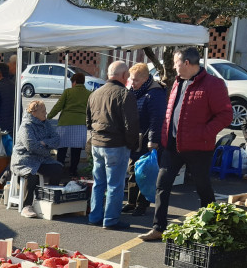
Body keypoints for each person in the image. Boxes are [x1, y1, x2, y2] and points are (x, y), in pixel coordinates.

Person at [139, 47, 232, 242]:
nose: (174, 66)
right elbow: (170, 112)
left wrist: (203, 133)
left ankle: (210, 228)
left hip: (199, 148)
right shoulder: (177, 82)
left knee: (203, 188)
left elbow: (225, 115)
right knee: (161, 185)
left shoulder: (213, 84)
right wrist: (163, 137)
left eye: (176, 62)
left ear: (187, 63)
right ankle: (158, 227)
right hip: (172, 146)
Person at [85, 61, 139, 230]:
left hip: (97, 143)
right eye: (128, 76)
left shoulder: (95, 93)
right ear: (123, 76)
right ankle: (110, 220)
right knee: (115, 185)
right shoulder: (125, 94)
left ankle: (95, 216)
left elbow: (88, 121)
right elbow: (131, 125)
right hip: (116, 145)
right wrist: (132, 145)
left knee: (99, 182)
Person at [124, 63, 166, 215]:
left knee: (145, 173)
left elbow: (157, 119)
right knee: (133, 170)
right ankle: (131, 202)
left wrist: (153, 141)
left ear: (145, 78)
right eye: (131, 80)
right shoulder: (135, 91)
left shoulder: (155, 93)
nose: (132, 83)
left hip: (147, 140)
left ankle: (142, 205)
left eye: (135, 80)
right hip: (135, 138)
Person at [11, 100, 65, 218]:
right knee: (32, 175)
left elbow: (56, 139)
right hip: (24, 159)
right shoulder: (26, 126)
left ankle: (49, 199)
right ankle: (27, 206)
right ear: (34, 113)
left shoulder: (46, 123)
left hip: (42, 158)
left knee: (58, 169)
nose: (46, 113)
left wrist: (44, 143)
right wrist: (47, 148)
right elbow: (31, 146)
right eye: (43, 111)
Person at [48, 72, 91, 176]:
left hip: (65, 123)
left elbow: (58, 106)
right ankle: (73, 170)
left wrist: (48, 117)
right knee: (76, 151)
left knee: (62, 149)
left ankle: (59, 169)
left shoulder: (68, 92)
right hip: (81, 124)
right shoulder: (89, 93)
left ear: (74, 82)